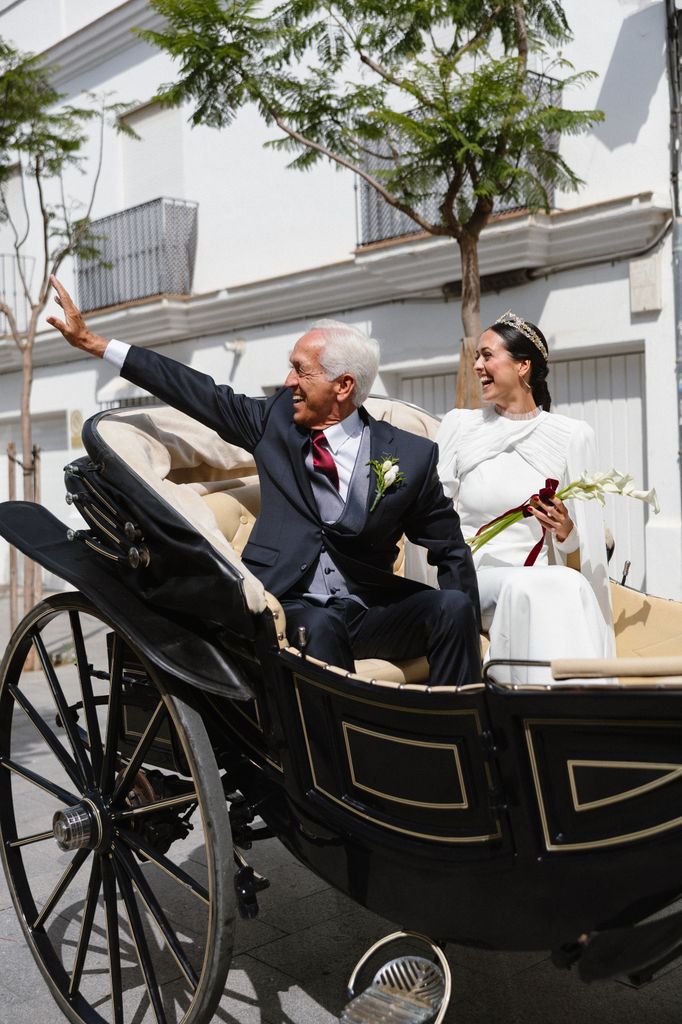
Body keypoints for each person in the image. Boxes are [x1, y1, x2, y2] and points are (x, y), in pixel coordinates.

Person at [48, 276, 481, 687]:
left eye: (301, 370)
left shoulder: (408, 454)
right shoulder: (273, 423)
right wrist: (96, 343)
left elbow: (449, 548)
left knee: (452, 608)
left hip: (370, 610)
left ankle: (458, 740)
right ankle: (334, 759)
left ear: (343, 385)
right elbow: (196, 390)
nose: (289, 381)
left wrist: (471, 622)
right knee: (322, 624)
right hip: (289, 605)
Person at [436, 310, 615, 684]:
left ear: (522, 367)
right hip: (476, 577)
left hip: (541, 576)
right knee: (537, 585)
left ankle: (582, 702)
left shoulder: (571, 435)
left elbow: (588, 553)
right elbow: (432, 515)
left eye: (487, 356)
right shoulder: (459, 425)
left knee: (565, 583)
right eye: (476, 357)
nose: (477, 366)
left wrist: (566, 530)